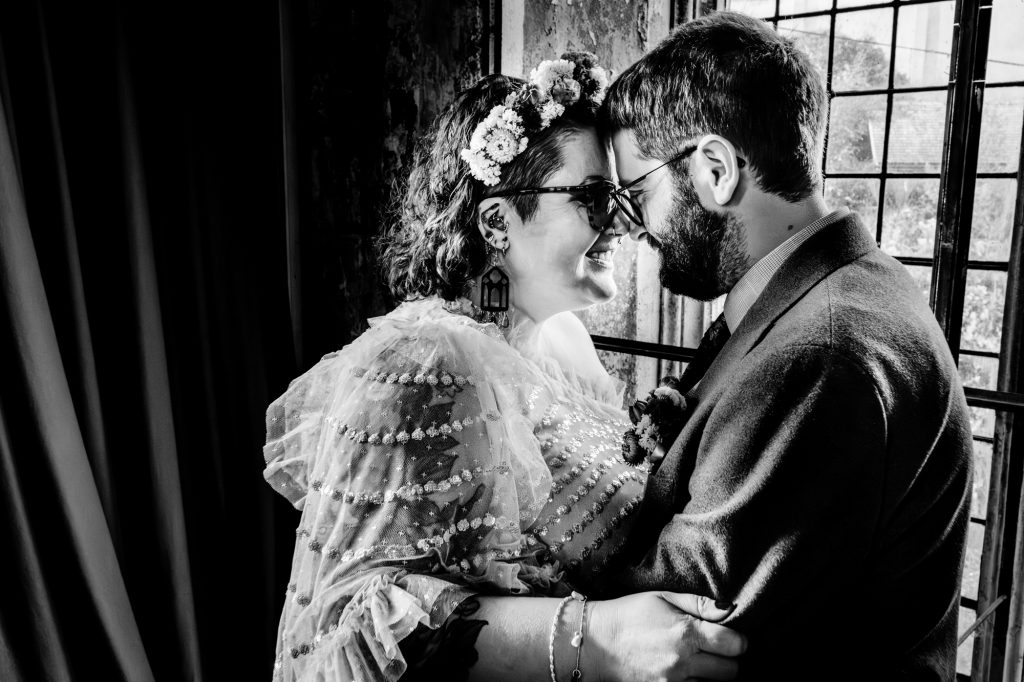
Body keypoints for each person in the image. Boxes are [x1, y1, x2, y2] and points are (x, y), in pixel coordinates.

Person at [263, 53, 746, 682]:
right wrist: (595, 640)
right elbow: (350, 625)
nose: (623, 226)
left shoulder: (565, 339)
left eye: (625, 199)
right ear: (497, 221)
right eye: (596, 199)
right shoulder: (424, 361)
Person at [595, 10, 974, 679]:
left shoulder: (822, 354)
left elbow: (681, 629)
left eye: (638, 193)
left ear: (715, 169)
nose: (632, 228)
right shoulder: (828, 290)